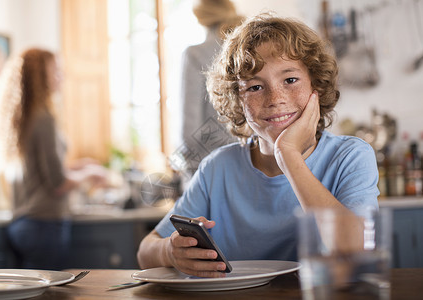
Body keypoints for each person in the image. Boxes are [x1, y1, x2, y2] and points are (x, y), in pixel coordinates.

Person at [137, 12, 379, 278]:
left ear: (316, 86)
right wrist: (169, 252)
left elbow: (356, 251)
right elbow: (145, 252)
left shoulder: (351, 156)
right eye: (254, 87)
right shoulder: (218, 168)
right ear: (238, 100)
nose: (275, 98)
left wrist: (288, 155)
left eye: (290, 80)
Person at [0, 48, 108, 270]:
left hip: (21, 225)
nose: (61, 77)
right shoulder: (44, 118)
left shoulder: (22, 119)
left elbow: (39, 172)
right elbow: (58, 184)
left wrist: (80, 165)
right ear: (39, 77)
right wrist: (91, 174)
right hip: (43, 225)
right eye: (56, 71)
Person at [177, 0, 244, 178]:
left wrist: (189, 172)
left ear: (200, 16)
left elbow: (190, 129)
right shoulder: (249, 48)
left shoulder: (196, 54)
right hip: (255, 163)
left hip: (212, 167)